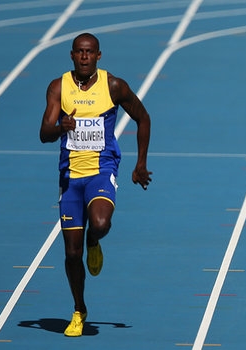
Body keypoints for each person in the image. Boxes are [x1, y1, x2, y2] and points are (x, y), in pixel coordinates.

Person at [39, 33, 152, 336]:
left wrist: (140, 164)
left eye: (90, 52)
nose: (85, 57)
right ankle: (79, 310)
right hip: (71, 177)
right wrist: (60, 127)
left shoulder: (114, 86)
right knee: (71, 255)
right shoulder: (58, 87)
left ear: (99, 56)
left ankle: (94, 240)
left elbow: (143, 118)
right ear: (72, 55)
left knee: (100, 223)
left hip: (102, 170)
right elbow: (44, 133)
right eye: (80, 52)